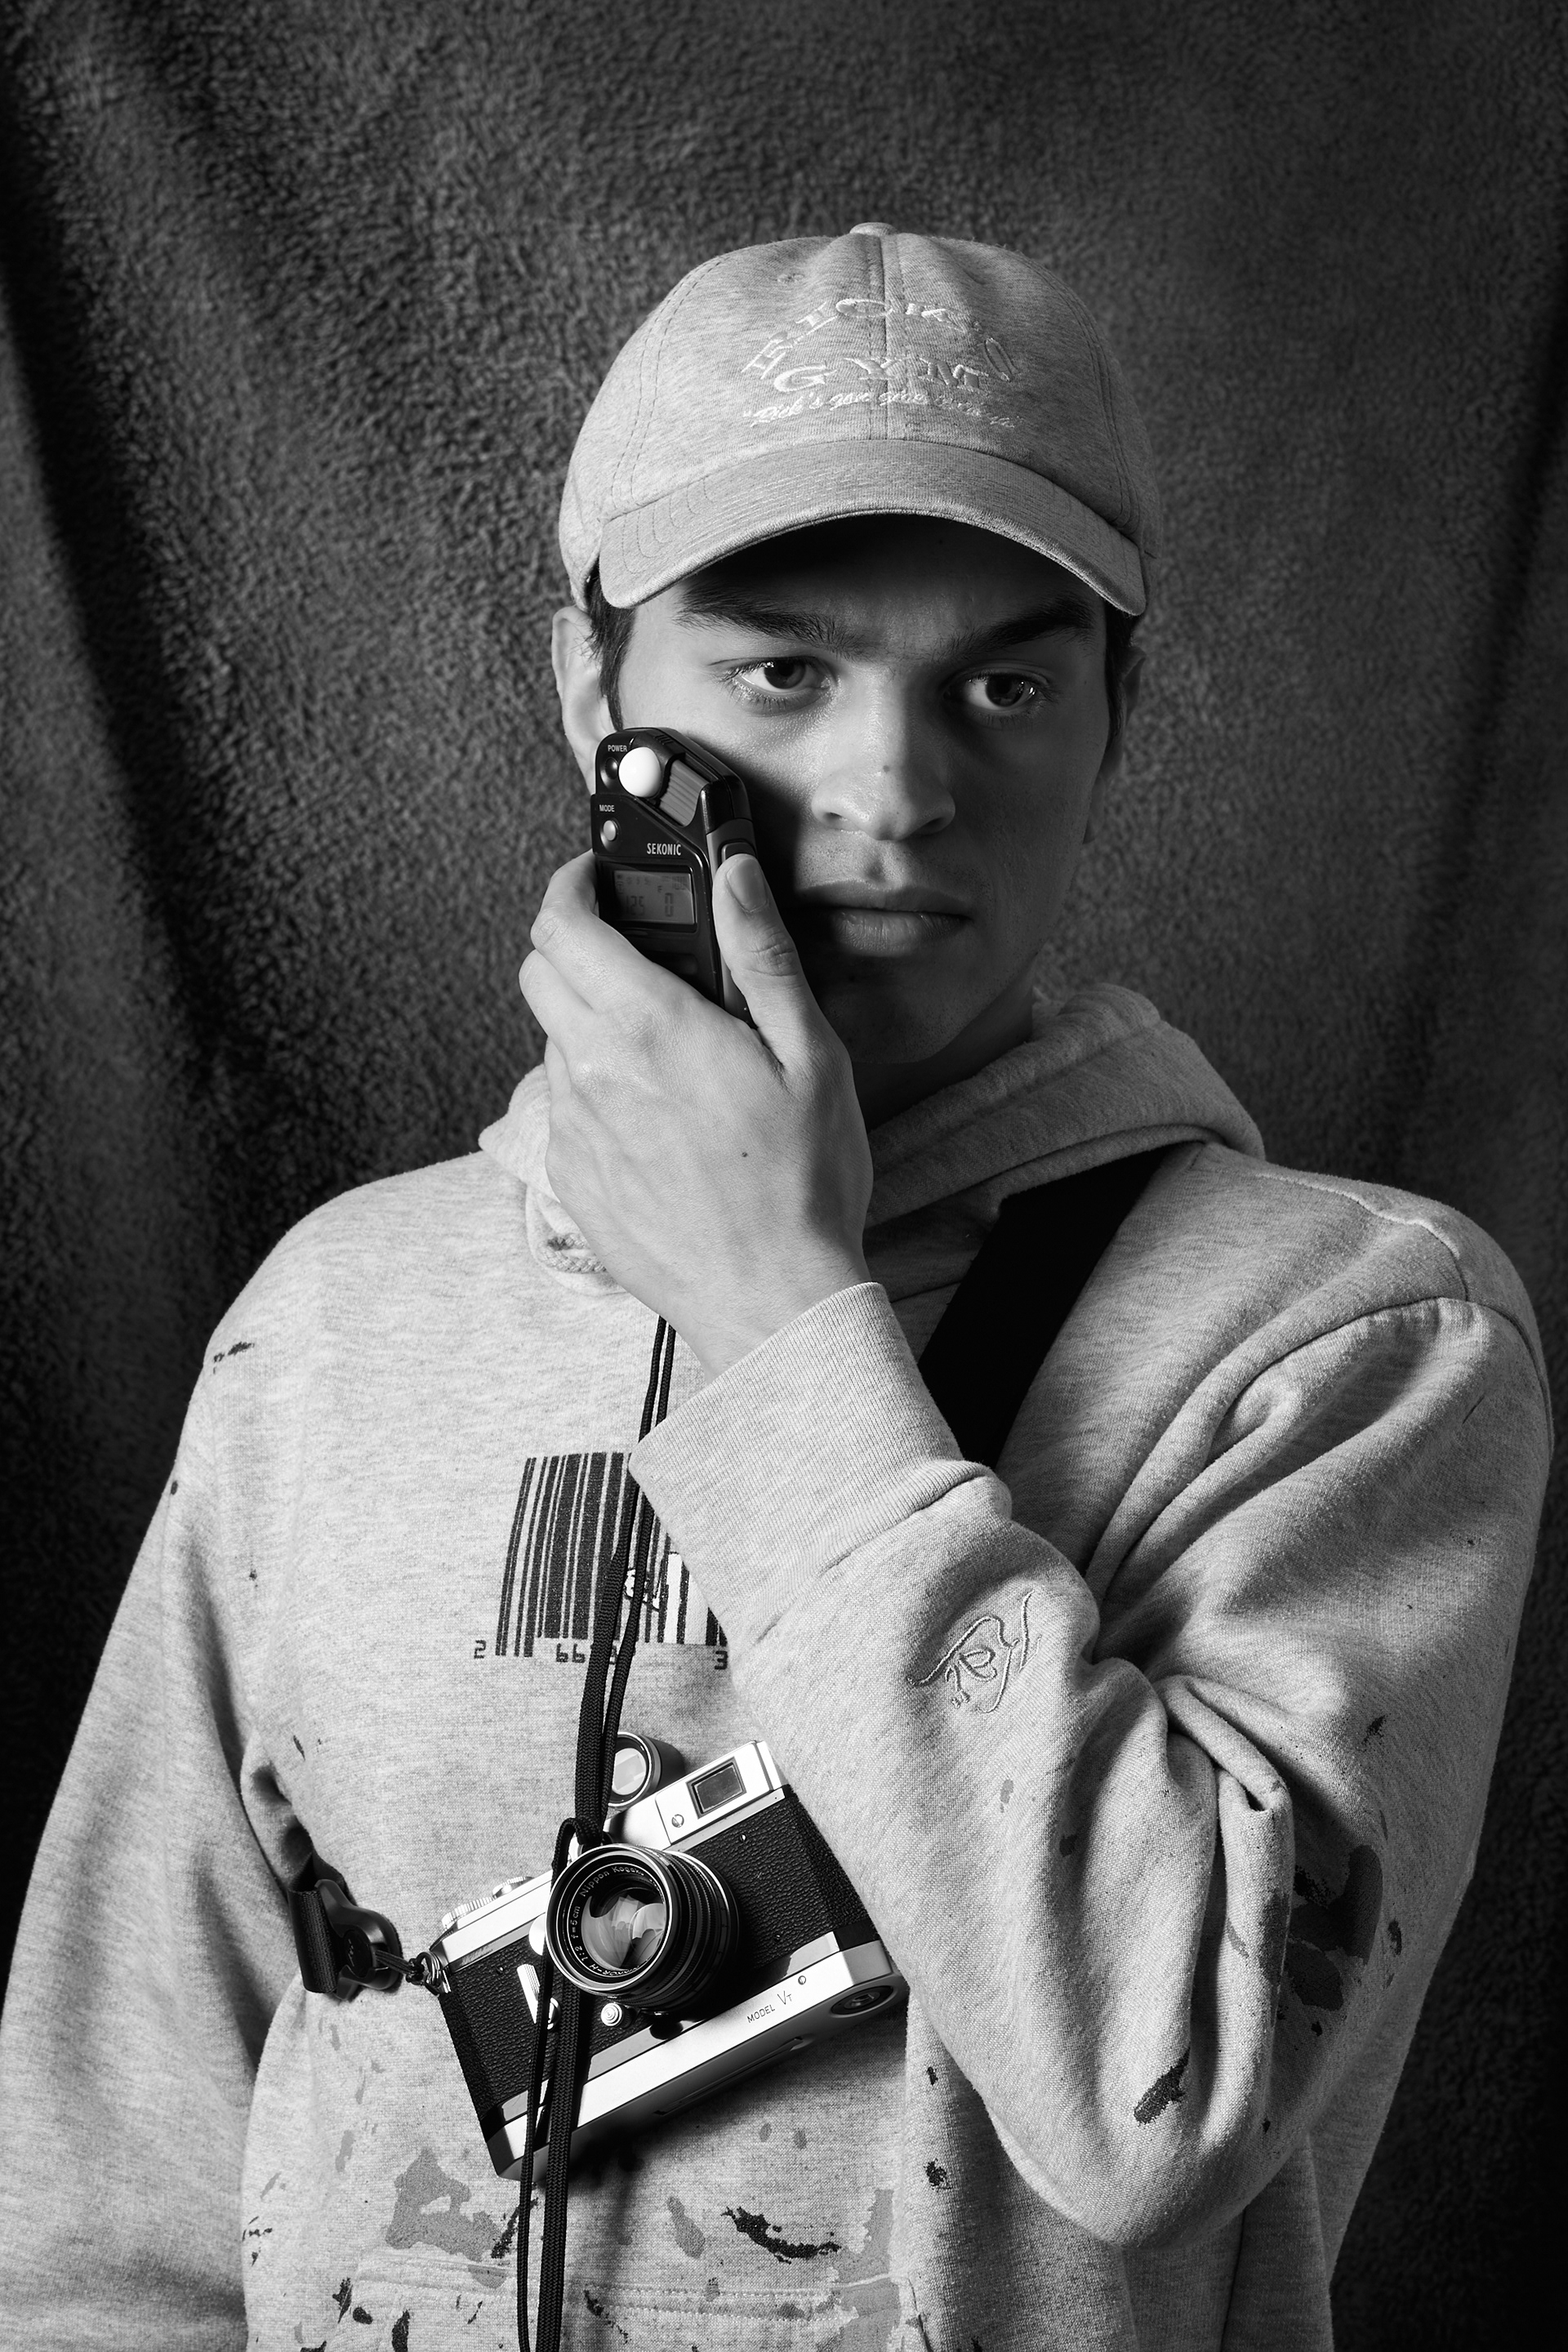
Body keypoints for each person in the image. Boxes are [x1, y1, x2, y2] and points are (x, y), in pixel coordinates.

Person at [0, 225, 1549, 2352]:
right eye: (783, 675)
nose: (899, 794)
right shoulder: (332, 1322)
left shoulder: (1350, 1339)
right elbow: (116, 2158)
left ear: (1119, 715)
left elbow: (1160, 2094)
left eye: (1004, 683)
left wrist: (781, 1321)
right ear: (596, 698)